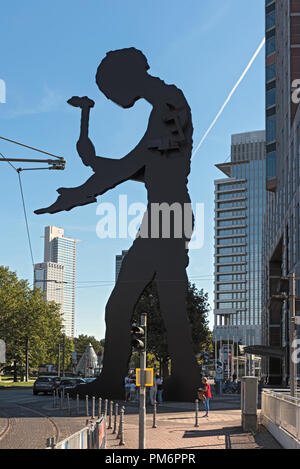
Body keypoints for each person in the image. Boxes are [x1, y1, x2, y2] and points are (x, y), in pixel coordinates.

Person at [35, 47, 201, 401]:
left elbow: (132, 164)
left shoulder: (168, 104)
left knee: (134, 302)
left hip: (167, 215)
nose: (110, 98)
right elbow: (143, 168)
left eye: (110, 90)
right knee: (160, 302)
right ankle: (181, 381)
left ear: (126, 78)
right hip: (165, 213)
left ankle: (128, 381)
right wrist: (96, 161)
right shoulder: (165, 105)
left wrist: (80, 192)